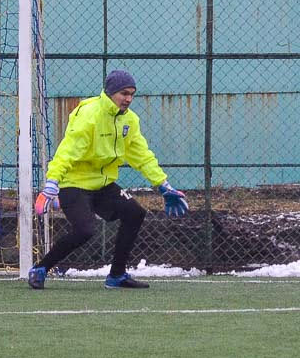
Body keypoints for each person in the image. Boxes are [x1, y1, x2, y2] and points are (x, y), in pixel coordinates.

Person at [27, 70, 189, 290]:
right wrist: (51, 183)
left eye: (132, 94)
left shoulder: (130, 120)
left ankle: (117, 276)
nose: (128, 99)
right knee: (85, 231)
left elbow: (142, 155)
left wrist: (163, 185)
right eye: (124, 93)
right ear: (111, 92)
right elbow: (68, 150)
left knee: (135, 213)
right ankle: (41, 268)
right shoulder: (89, 114)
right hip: (75, 184)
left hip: (103, 185)